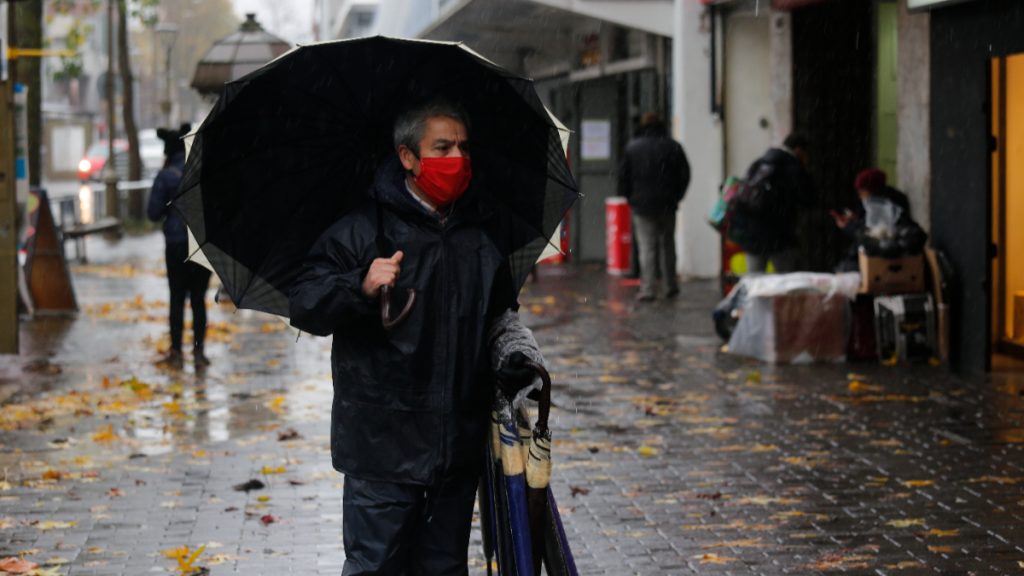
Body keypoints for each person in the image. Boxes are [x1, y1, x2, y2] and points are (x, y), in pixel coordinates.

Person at [288, 100, 545, 575]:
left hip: (456, 448)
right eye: (442, 148)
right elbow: (305, 304)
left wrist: (517, 356)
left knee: (443, 569)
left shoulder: (482, 234)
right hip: (381, 449)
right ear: (407, 157)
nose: (457, 159)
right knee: (375, 567)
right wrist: (359, 285)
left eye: (463, 147)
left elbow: (498, 319)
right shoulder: (362, 230)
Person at [148, 123, 212, 370]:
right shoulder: (201, 172)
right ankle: (199, 351)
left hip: (176, 245)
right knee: (198, 299)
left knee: (176, 298)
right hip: (201, 244)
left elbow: (153, 213)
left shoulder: (166, 176)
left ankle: (176, 352)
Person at [618, 112, 690, 301]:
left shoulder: (633, 147)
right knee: (668, 245)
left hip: (642, 205)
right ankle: (670, 285)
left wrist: (631, 198)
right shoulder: (673, 146)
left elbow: (623, 177)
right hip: (667, 203)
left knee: (647, 248)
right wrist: (677, 196)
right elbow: (684, 174)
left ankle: (648, 288)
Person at [730, 133, 816, 274]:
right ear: (799, 150)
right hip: (778, 235)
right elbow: (809, 199)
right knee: (786, 280)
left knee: (755, 280)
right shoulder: (793, 167)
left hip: (751, 233)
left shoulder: (760, 163)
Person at [832, 167, 927, 271]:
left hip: (883, 262)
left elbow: (868, 235)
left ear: (871, 190)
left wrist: (848, 226)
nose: (860, 196)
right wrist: (856, 218)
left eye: (862, 192)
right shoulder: (891, 201)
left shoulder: (880, 206)